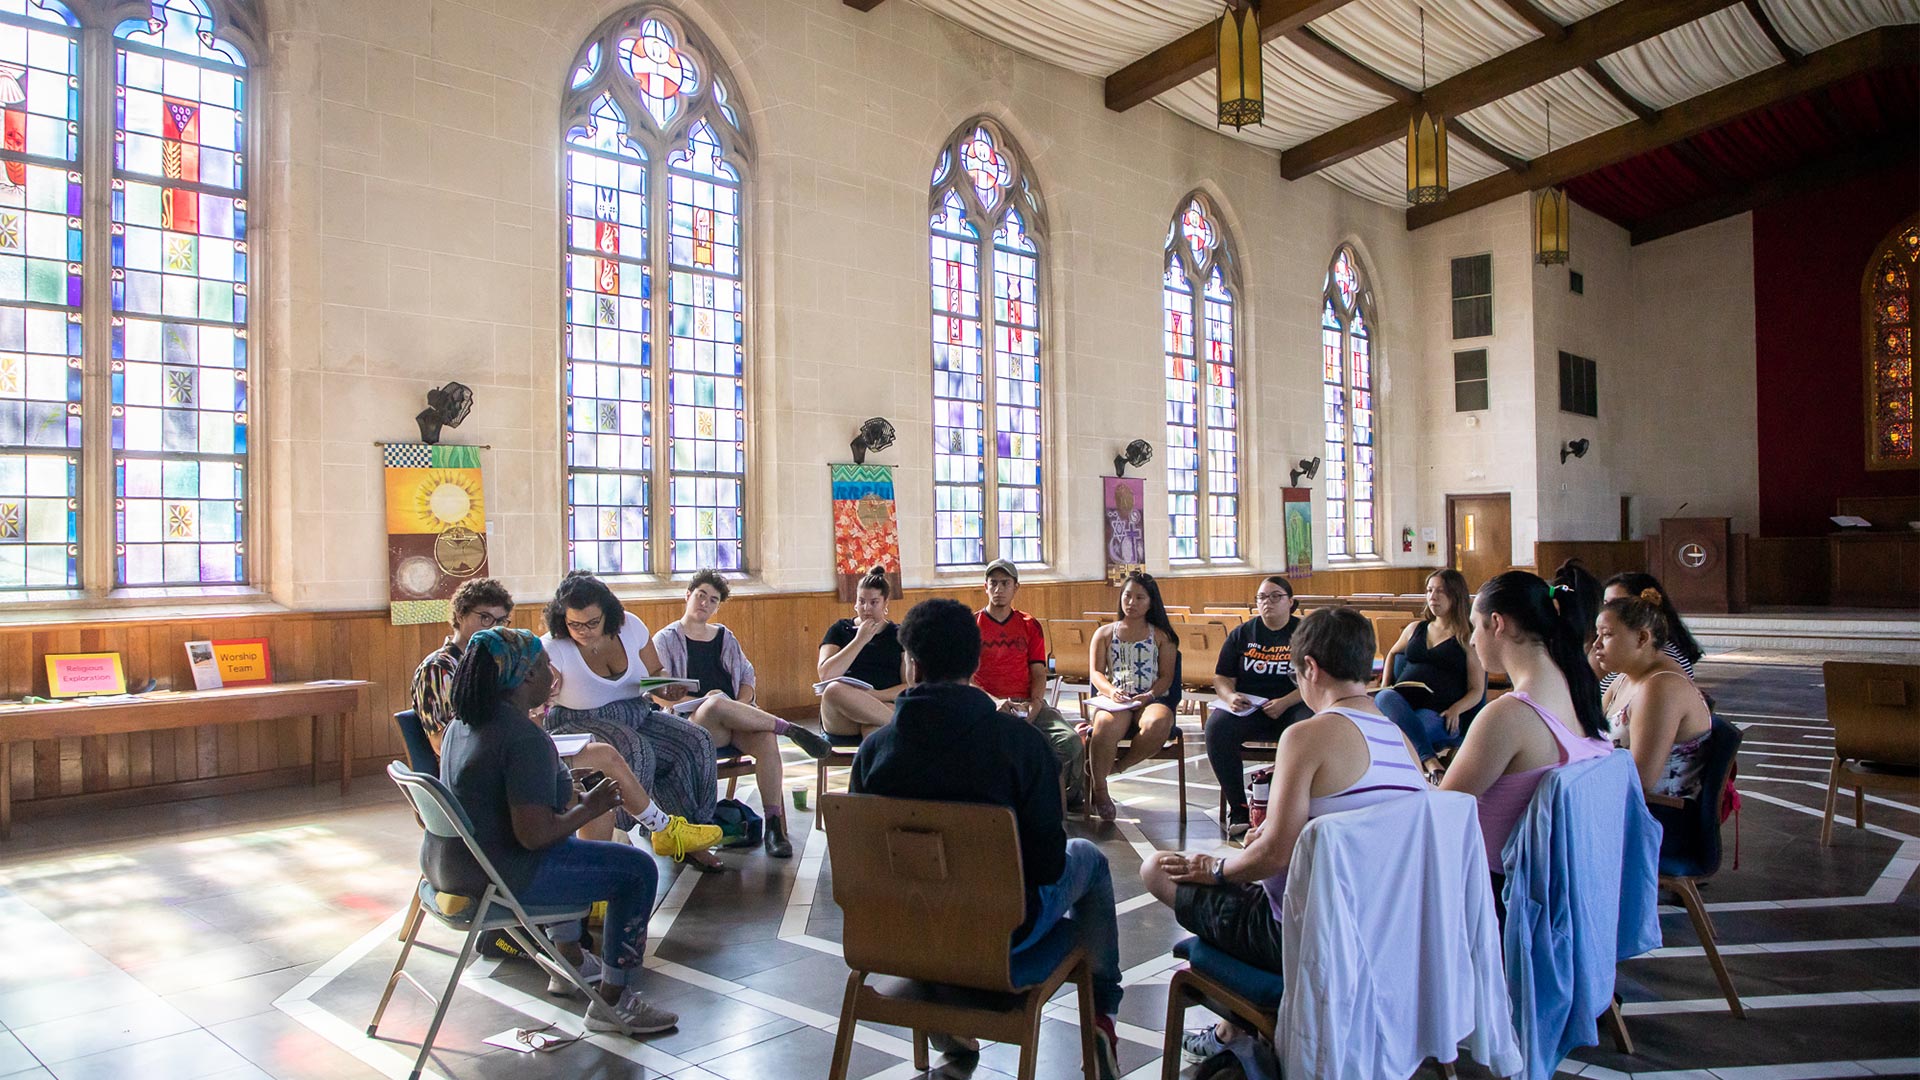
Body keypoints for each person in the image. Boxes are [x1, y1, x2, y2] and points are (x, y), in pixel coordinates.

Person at [851, 598, 1122, 1079]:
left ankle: (948, 1024)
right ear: (976, 663)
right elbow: (1047, 868)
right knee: (1089, 860)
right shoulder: (1021, 746)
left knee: (933, 893)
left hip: (898, 936)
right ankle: (1101, 1016)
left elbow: (865, 864)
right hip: (1001, 940)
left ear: (910, 665)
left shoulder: (873, 752)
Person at [1140, 607, 1424, 1062]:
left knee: (1158, 869)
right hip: (1386, 927)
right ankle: (1234, 1028)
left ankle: (1238, 1021)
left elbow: (1274, 855)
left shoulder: (1308, 735)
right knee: (1240, 876)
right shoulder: (1401, 741)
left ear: (1309, 668)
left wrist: (1214, 868)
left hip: (1302, 935)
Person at [428, 628, 708, 1033]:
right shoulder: (522, 738)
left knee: (576, 847)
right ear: (524, 678)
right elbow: (535, 836)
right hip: (501, 877)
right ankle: (614, 1001)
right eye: (544, 665)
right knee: (637, 871)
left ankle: (569, 960)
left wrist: (562, 797)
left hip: (451, 870)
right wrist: (590, 807)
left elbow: (497, 802)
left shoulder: (463, 725)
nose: (551, 672)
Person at [541, 572, 725, 871]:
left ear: (608, 614)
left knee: (695, 740)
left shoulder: (631, 626)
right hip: (579, 723)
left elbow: (655, 672)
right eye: (574, 624)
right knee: (634, 748)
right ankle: (631, 834)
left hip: (636, 712)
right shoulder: (553, 646)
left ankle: (689, 835)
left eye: (591, 623)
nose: (583, 631)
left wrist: (665, 688)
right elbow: (540, 698)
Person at [1440, 572, 1612, 880]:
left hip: (1497, 891)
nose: (1472, 638)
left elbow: (1440, 810)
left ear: (1498, 623)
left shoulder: (1507, 716)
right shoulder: (1579, 689)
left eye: (1476, 626)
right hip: (1560, 881)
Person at [651, 569, 832, 858]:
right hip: (695, 724)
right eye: (701, 596)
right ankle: (789, 729)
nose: (705, 604)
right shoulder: (666, 639)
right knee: (714, 702)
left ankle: (774, 826)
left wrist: (744, 702)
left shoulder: (725, 636)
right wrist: (707, 701)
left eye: (713, 600)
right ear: (688, 595)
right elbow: (658, 692)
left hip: (736, 720)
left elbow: (747, 675)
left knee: (765, 741)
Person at [1205, 576, 1314, 837]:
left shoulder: (1305, 633)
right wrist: (1230, 697)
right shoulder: (1243, 633)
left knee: (1307, 729)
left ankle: (1291, 808)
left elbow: (1315, 678)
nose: (1268, 603)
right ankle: (1239, 807)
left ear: (1291, 602)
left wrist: (1286, 701)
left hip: (1294, 703)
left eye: (1275, 596)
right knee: (1217, 727)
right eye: (1262, 597)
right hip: (1252, 707)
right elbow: (1221, 677)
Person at [974, 558, 1087, 808]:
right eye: (993, 583)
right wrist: (993, 701)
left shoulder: (1028, 624)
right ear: (985, 587)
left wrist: (1035, 704)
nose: (998, 589)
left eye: (1005, 583)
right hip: (988, 706)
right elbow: (966, 677)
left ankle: (1067, 798)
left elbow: (1038, 671)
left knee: (1069, 743)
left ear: (1016, 587)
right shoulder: (973, 625)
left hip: (1026, 701)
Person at [1594, 591, 1712, 803]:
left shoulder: (1660, 687)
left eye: (1607, 634)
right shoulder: (1623, 677)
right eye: (1597, 634)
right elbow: (1589, 732)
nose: (1597, 645)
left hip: (1657, 814)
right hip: (1615, 796)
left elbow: (1639, 780)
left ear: (1642, 637)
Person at [1085, 571, 1180, 822]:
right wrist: (1111, 691)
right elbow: (1096, 673)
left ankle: (1118, 767)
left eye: (1140, 597)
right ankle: (1100, 791)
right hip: (1116, 699)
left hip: (1150, 699)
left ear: (1151, 602)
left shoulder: (1162, 636)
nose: (1132, 603)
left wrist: (1148, 696)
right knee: (1104, 725)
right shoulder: (1105, 633)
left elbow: (1166, 677)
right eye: (1127, 596)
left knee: (1158, 723)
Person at [1375, 569, 1487, 777]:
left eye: (1440, 592)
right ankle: (1430, 760)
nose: (1432, 597)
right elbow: (1392, 653)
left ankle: (1417, 768)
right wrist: (1386, 684)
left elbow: (1477, 689)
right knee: (1385, 696)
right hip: (1403, 702)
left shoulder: (1467, 638)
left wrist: (1456, 709)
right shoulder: (1415, 628)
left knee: (1403, 735)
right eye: (1429, 590)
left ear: (1455, 596)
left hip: (1439, 710)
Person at [410, 577, 514, 753]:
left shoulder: (498, 662)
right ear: (460, 615)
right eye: (485, 618)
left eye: (501, 621)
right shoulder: (437, 668)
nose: (494, 628)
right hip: (463, 765)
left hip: (496, 752)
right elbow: (441, 743)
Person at [817, 566, 906, 737]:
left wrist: (875, 696)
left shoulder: (899, 634)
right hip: (841, 714)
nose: (866, 608)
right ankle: (905, 723)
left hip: (883, 705)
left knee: (873, 729)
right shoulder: (839, 629)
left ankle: (871, 761)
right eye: (861, 601)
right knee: (833, 689)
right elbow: (825, 675)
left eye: (874, 602)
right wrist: (860, 640)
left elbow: (909, 684)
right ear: (855, 603)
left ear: (885, 603)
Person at [1598, 572, 1701, 690]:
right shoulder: (1635, 658)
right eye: (1607, 604)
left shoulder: (1657, 658)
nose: (1609, 610)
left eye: (1618, 604)